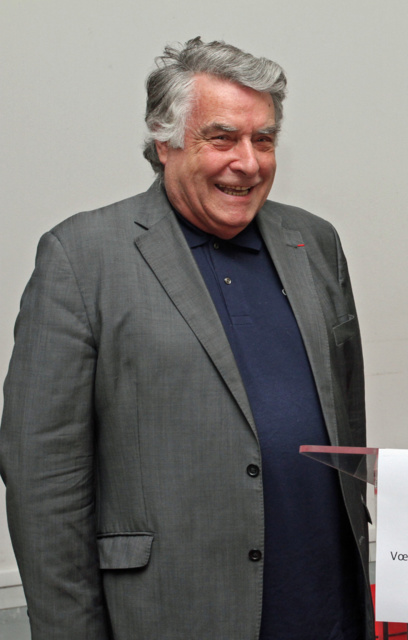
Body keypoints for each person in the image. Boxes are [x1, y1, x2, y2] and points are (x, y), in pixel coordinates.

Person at [0, 37, 371, 640]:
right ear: (164, 140)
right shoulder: (82, 258)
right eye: (221, 138)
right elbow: (44, 487)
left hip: (323, 607)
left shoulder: (315, 243)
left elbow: (345, 417)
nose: (248, 162)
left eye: (265, 139)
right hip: (172, 613)